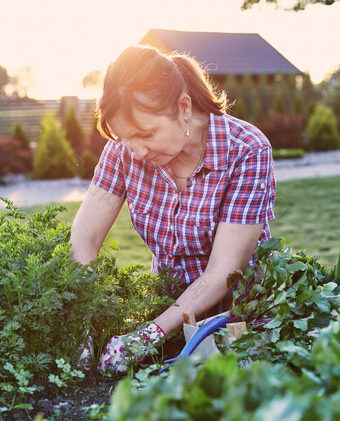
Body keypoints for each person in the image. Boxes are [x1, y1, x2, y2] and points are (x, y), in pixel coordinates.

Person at [71, 45, 276, 373]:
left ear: (183, 107)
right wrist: (82, 328)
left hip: (239, 320)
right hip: (164, 312)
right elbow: (84, 237)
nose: (136, 151)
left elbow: (224, 271)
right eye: (126, 138)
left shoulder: (247, 150)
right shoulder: (124, 151)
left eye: (146, 134)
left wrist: (147, 335)